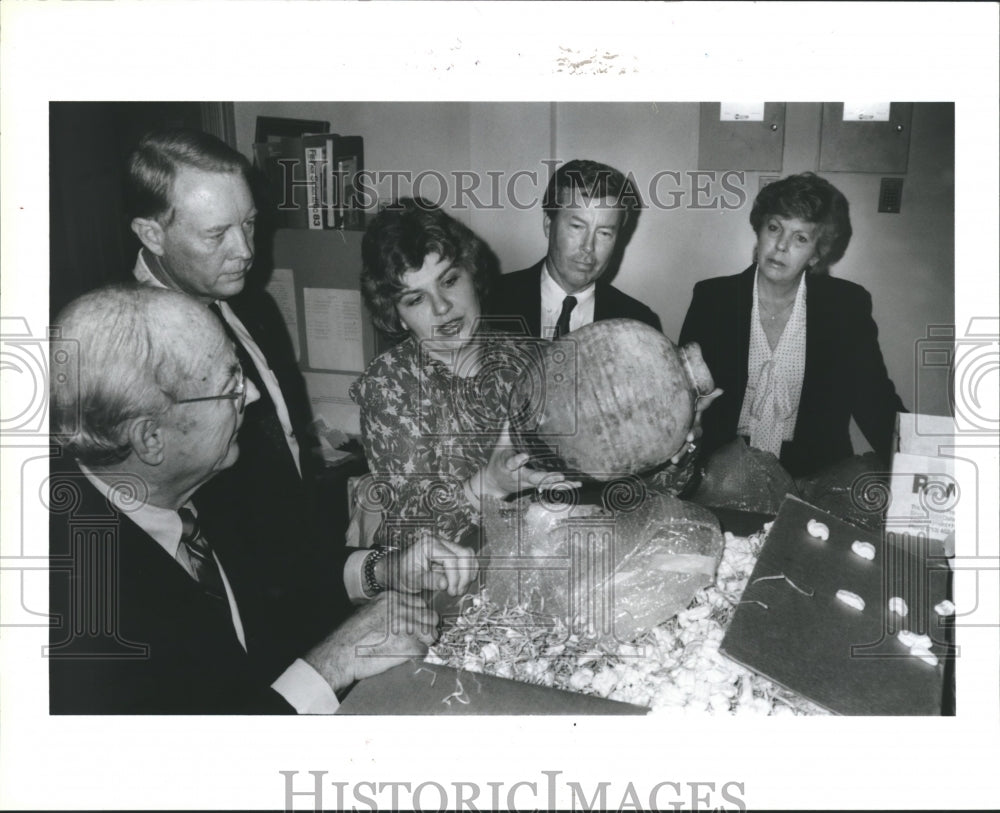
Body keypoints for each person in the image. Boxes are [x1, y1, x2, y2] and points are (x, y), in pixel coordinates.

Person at [48, 284, 476, 714]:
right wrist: (331, 664)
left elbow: (282, 574)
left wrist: (385, 568)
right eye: (229, 385)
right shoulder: (77, 605)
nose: (252, 394)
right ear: (151, 438)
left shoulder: (206, 476)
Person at [126, 127, 325, 599]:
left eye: (249, 223)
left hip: (303, 567)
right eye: (217, 233)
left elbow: (288, 441)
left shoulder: (250, 302)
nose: (246, 251)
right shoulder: (125, 347)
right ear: (152, 234)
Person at [350, 200, 571, 548]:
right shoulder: (391, 386)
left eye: (449, 280)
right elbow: (412, 542)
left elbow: (632, 478)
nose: (442, 307)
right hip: (445, 594)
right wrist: (489, 485)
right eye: (415, 299)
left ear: (472, 272)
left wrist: (681, 441)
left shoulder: (534, 357)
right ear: (396, 315)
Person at [679, 172, 905, 478]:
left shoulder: (845, 307)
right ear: (759, 231)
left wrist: (923, 469)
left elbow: (875, 403)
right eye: (774, 228)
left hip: (813, 476)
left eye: (801, 238)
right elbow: (683, 397)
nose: (781, 246)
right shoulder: (713, 299)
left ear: (816, 254)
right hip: (722, 472)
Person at [489, 158, 661, 338]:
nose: (588, 247)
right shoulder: (488, 301)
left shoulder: (640, 324)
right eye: (577, 227)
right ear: (549, 225)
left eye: (604, 233)